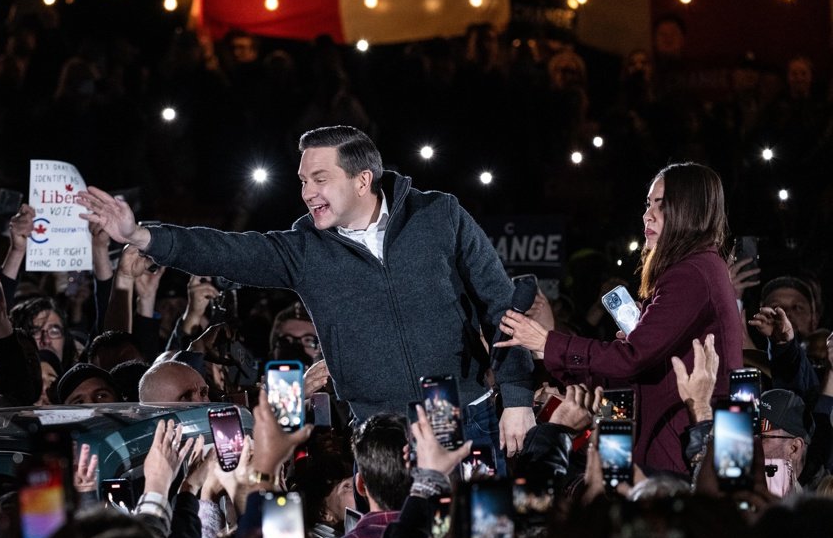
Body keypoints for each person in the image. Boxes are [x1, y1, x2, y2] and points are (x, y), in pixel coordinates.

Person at [80, 125, 535, 455]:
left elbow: (502, 306)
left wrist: (516, 398)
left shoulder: (440, 216)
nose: (307, 192)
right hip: (382, 433)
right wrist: (141, 236)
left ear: (362, 180)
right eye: (302, 181)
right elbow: (224, 251)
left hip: (464, 415)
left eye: (320, 179)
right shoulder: (305, 250)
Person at [497, 162, 744, 475]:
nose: (647, 215)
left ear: (691, 211)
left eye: (662, 205)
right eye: (648, 204)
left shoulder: (691, 273)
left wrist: (546, 342)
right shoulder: (700, 268)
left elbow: (632, 359)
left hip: (679, 449)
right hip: (676, 442)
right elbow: (641, 369)